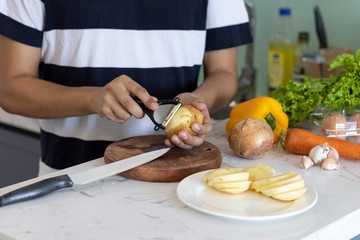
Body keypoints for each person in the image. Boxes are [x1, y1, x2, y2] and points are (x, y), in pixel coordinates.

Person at [0, 1, 252, 174]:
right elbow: (10, 87)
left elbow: (224, 73)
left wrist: (198, 101)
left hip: (179, 178)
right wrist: (92, 99)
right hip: (71, 180)